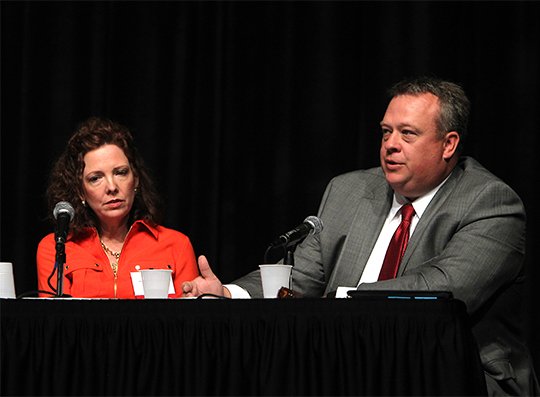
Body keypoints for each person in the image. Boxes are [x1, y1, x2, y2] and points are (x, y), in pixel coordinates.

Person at [182, 77, 539, 395]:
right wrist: (230, 293)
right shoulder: (349, 191)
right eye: (386, 132)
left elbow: (443, 289)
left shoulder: (490, 202)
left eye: (407, 133)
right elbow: (303, 275)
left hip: (450, 371)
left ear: (448, 144)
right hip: (348, 364)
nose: (390, 145)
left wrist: (341, 303)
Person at [37, 117, 199, 298]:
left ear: (135, 179)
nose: (112, 187)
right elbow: (55, 323)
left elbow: (189, 323)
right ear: (80, 191)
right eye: (95, 178)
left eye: (120, 172)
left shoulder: (176, 245)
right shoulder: (57, 247)